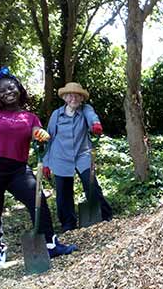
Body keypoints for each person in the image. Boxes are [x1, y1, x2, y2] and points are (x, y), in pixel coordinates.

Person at [0, 67, 78, 269]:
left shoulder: (29, 116)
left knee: (37, 199)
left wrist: (40, 134)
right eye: (2, 91)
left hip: (18, 169)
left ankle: (50, 245)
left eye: (11, 88)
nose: (8, 92)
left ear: (19, 88)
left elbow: (36, 130)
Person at [42, 82, 112, 232]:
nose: (73, 98)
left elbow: (92, 117)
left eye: (77, 95)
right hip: (60, 156)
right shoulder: (56, 115)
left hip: (82, 154)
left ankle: (104, 216)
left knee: (91, 184)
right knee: (63, 192)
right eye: (69, 95)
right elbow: (49, 139)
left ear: (81, 98)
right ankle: (68, 224)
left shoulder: (86, 109)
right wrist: (46, 162)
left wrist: (95, 124)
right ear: (65, 98)